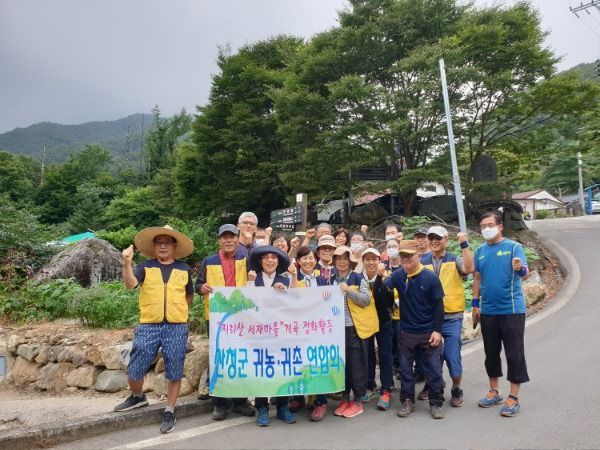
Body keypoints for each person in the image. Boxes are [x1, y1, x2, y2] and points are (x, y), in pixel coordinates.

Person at [115, 225, 194, 434]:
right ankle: (137, 396)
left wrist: (180, 311)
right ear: (154, 246)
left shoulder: (184, 269)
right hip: (149, 324)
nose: (163, 246)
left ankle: (169, 410)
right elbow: (130, 284)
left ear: (174, 246)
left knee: (174, 368)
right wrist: (127, 263)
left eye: (167, 242)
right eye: (159, 242)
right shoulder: (145, 267)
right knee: (136, 366)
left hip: (177, 326)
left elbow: (189, 295)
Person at [472, 210, 529, 417]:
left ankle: (513, 397)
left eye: (490, 225)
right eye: (483, 226)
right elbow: (477, 278)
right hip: (488, 310)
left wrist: (520, 268)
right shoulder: (480, 251)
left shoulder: (513, 247)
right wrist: (475, 304)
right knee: (491, 353)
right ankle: (494, 391)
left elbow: (525, 273)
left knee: (514, 353)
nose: (486, 229)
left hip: (511, 309)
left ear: (500, 226)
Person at [196, 224, 255, 421]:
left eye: (232, 237)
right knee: (218, 358)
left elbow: (255, 283)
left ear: (238, 240)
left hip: (241, 317)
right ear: (219, 240)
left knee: (241, 357)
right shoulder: (209, 261)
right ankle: (219, 403)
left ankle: (240, 401)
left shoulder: (246, 260)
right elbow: (198, 284)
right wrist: (202, 287)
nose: (228, 240)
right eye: (224, 237)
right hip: (216, 318)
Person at [383, 240, 446, 420]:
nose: (406, 259)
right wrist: (380, 277)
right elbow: (384, 287)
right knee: (405, 370)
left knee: (434, 370)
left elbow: (439, 306)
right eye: (403, 256)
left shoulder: (431, 277)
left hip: (428, 332)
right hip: (407, 332)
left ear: (418, 256)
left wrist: (438, 331)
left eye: (409, 256)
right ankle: (407, 401)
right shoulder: (398, 275)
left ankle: (436, 403)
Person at [419, 226, 474, 407]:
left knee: (451, 355)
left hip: (451, 316)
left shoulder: (453, 259)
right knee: (429, 355)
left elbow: (469, 268)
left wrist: (464, 244)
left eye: (438, 238)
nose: (434, 241)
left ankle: (456, 388)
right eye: (431, 238)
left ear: (446, 240)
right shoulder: (422, 261)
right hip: (429, 317)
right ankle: (433, 383)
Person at [247, 245, 297, 426]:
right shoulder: (253, 278)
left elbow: (296, 303)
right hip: (259, 333)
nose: (270, 261)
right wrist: (250, 284)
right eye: (266, 257)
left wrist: (285, 292)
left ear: (278, 261)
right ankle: (262, 407)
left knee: (282, 368)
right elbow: (246, 304)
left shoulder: (285, 279)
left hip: (281, 333)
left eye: (273, 257)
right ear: (260, 261)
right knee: (261, 368)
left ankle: (283, 406)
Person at [331, 246, 379, 418]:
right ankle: (345, 398)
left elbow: (366, 300)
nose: (342, 262)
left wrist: (348, 290)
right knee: (342, 365)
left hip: (355, 327)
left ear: (350, 261)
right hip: (337, 329)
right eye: (338, 259)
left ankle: (358, 400)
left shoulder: (358, 278)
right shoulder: (331, 279)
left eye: (345, 258)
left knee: (356, 364)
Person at [287, 245, 331, 421]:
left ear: (316, 259)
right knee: (298, 362)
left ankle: (320, 402)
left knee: (317, 363)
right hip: (297, 329)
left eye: (311, 257)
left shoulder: (323, 280)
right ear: (298, 261)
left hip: (317, 329)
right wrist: (293, 277)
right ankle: (298, 398)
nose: (308, 261)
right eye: (304, 258)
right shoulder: (292, 278)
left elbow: (329, 301)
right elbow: (291, 298)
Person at [362, 248, 395, 410]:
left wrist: (380, 279)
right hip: (364, 323)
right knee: (367, 355)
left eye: (374, 259)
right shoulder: (358, 279)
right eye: (367, 259)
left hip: (384, 322)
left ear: (379, 261)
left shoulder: (387, 278)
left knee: (385, 355)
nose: (371, 262)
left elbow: (388, 301)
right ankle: (370, 385)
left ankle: (386, 388)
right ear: (362, 261)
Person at [383, 238, 402, 380]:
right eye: (389, 246)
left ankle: (402, 368)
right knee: (390, 343)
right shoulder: (382, 267)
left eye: (394, 246)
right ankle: (393, 368)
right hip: (387, 312)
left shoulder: (405, 266)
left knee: (401, 342)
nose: (391, 249)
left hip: (402, 313)